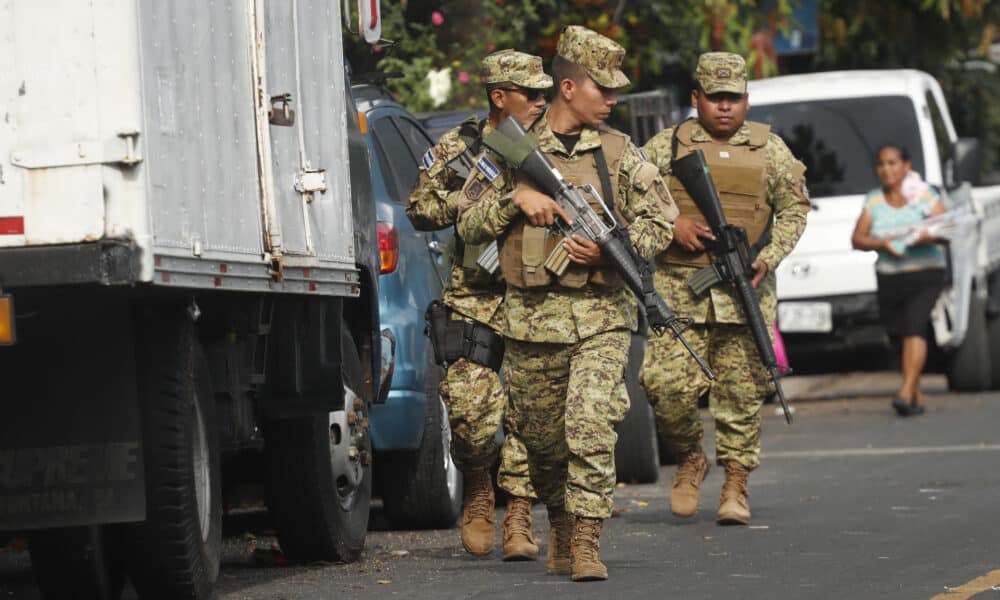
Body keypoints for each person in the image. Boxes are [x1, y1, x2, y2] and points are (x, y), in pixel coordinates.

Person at [458, 26, 677, 581]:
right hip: (531, 325)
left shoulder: (620, 154)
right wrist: (516, 198)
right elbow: (466, 222)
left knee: (590, 424)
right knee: (542, 443)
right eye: (603, 87)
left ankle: (585, 540)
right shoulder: (511, 146)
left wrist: (608, 252)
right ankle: (558, 519)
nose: (613, 99)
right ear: (569, 87)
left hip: (602, 320)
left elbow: (661, 224)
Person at [640, 52, 810, 526]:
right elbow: (631, 200)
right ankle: (691, 456)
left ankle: (736, 483)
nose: (724, 107)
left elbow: (795, 212)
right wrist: (674, 224)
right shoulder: (664, 148)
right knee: (664, 384)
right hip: (679, 291)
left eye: (733, 98)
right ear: (696, 98)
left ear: (747, 100)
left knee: (740, 394)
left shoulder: (770, 150)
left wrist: (766, 258)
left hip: (744, 293)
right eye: (714, 97)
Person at [405, 49, 552, 559]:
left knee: (530, 414)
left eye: (544, 93)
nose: (540, 101)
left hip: (538, 293)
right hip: (476, 293)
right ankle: (476, 481)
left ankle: (517, 513)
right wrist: (466, 203)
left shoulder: (554, 144)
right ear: (499, 96)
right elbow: (420, 208)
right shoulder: (460, 147)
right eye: (530, 93)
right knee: (470, 412)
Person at [850, 144, 946, 416]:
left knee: (915, 326)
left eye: (893, 163)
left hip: (926, 273)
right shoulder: (874, 201)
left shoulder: (925, 196)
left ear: (906, 166)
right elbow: (858, 238)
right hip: (890, 277)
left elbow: (948, 230)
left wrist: (927, 234)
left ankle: (904, 392)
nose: (887, 169)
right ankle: (915, 391)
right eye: (881, 164)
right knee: (898, 334)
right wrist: (883, 244)